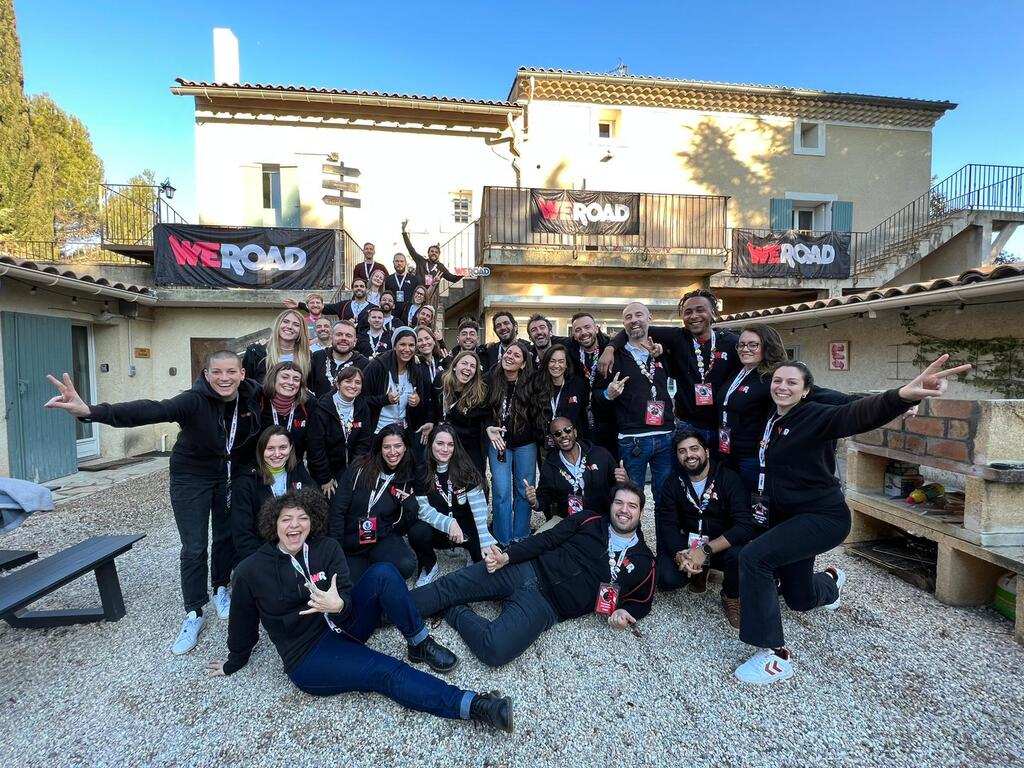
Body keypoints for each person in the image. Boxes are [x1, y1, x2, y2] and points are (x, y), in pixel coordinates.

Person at [734, 355, 971, 685]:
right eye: (777, 381)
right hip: (787, 517)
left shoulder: (817, 416)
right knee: (799, 599)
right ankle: (832, 582)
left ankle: (774, 654)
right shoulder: (771, 418)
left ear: (806, 391)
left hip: (822, 518)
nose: (782, 386)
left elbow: (855, 413)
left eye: (791, 382)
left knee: (754, 558)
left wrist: (902, 396)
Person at [208, 491, 514, 732]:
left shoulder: (325, 548)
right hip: (310, 652)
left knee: (383, 572)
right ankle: (474, 705)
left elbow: (348, 600)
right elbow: (242, 622)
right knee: (385, 671)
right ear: (273, 524)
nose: (295, 526)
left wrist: (338, 605)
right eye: (286, 519)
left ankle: (419, 641)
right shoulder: (251, 571)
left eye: (302, 518)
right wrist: (236, 659)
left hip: (346, 622)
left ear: (311, 520)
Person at [43, 351, 261, 655]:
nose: (224, 378)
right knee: (195, 546)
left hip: (228, 477)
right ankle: (194, 611)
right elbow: (149, 410)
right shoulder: (192, 400)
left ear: (242, 374)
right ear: (206, 374)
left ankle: (220, 588)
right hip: (191, 478)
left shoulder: (251, 396)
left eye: (230, 372)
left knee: (225, 538)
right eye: (217, 372)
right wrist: (89, 411)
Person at [411, 482, 655, 667]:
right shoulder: (589, 520)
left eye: (632, 506)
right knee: (446, 587)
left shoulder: (644, 562)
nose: (624, 510)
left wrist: (626, 610)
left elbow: (643, 601)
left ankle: (455, 610)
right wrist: (508, 556)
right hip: (525, 568)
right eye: (619, 503)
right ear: (611, 505)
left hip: (545, 607)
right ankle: (385, 608)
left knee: (495, 650)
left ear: (641, 512)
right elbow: (545, 539)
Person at [599, 289, 739, 447]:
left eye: (700, 310)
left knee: (723, 471)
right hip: (687, 426)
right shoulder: (677, 337)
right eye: (688, 312)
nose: (693, 316)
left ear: (712, 312)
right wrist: (610, 348)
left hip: (722, 426)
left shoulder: (731, 342)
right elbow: (634, 329)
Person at [654, 430, 755, 629]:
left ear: (706, 452)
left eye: (694, 448)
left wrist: (705, 550)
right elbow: (668, 524)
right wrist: (680, 554)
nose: (689, 455)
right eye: (682, 451)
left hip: (719, 547)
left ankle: (731, 595)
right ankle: (699, 571)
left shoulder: (729, 479)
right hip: (689, 546)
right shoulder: (673, 483)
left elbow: (745, 526)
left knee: (740, 554)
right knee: (665, 579)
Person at [593, 302, 676, 503]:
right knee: (630, 499)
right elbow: (595, 395)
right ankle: (632, 535)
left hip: (666, 436)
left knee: (666, 499)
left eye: (638, 315)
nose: (634, 320)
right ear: (624, 323)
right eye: (628, 317)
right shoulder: (614, 356)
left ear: (650, 318)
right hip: (632, 440)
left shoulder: (663, 352)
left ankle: (665, 536)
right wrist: (607, 394)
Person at [407, 424, 498, 586]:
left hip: (466, 528)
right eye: (439, 443)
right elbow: (423, 509)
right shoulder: (422, 471)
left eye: (450, 444)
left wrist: (484, 540)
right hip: (438, 528)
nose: (445, 449)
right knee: (416, 531)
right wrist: (448, 523)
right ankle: (430, 566)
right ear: (430, 444)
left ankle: (469, 551)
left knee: (486, 567)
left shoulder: (466, 468)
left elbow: (479, 508)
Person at [328, 425, 420, 581]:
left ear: (406, 448)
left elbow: (399, 528)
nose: (392, 452)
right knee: (348, 582)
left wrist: (410, 507)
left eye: (398, 446)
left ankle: (374, 566)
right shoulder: (359, 468)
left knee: (406, 565)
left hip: (380, 538)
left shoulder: (408, 477)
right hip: (350, 539)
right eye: (387, 447)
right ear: (379, 448)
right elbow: (337, 509)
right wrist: (337, 548)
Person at [231, 426, 315, 560]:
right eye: (270, 448)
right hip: (262, 554)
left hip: (298, 549)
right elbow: (243, 534)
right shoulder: (246, 482)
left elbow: (316, 512)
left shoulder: (299, 472)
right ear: (261, 450)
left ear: (291, 448)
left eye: (282, 447)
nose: (277, 454)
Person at [485, 341, 538, 546]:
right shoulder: (491, 378)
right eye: (508, 352)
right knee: (501, 491)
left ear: (524, 364)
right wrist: (489, 426)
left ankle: (521, 535)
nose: (510, 357)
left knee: (524, 489)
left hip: (525, 443)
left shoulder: (531, 383)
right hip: (499, 442)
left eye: (517, 355)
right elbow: (482, 408)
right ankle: (503, 537)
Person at [526, 417, 624, 524]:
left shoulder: (600, 454)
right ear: (552, 439)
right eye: (557, 433)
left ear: (575, 432)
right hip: (569, 523)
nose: (563, 435)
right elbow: (543, 498)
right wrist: (534, 502)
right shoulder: (549, 466)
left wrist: (625, 480)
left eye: (567, 430)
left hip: (601, 520)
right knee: (538, 539)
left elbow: (620, 487)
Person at [306, 365, 373, 498]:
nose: (353, 386)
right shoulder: (322, 408)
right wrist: (325, 478)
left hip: (352, 469)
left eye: (357, 382)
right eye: (348, 381)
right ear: (337, 383)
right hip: (327, 472)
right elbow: (315, 447)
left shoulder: (362, 406)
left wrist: (354, 472)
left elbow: (364, 442)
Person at [360, 327, 432, 439]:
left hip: (404, 431)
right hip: (378, 431)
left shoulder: (416, 369)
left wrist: (417, 402)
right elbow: (362, 399)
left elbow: (421, 404)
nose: (407, 349)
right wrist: (385, 400)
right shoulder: (377, 366)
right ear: (394, 346)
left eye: (411, 345)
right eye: (402, 344)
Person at [570, 312, 617, 459]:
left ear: (596, 328)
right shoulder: (570, 350)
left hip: (612, 424)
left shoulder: (611, 347)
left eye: (587, 327)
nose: (583, 333)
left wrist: (611, 347)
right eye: (578, 330)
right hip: (584, 425)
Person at [434, 350, 489, 475]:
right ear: (454, 366)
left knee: (475, 479)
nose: (468, 368)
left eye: (472, 366)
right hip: (445, 444)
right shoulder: (440, 381)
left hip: (468, 445)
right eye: (464, 363)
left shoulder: (480, 392)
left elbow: (476, 423)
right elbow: (432, 409)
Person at [253, 361, 312, 466]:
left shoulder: (307, 404)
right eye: (285, 377)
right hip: (260, 467)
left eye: (296, 379)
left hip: (294, 466)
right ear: (273, 378)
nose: (290, 382)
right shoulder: (257, 401)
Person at [534, 344, 592, 442]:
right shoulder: (537, 385)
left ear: (566, 365)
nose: (556, 365)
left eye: (561, 361)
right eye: (552, 361)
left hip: (574, 444)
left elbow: (584, 417)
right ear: (546, 363)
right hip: (547, 445)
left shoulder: (578, 385)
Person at [242, 309, 312, 385]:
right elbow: (246, 386)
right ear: (278, 324)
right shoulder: (256, 352)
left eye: (296, 325)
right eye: (285, 322)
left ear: (302, 331)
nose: (289, 327)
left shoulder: (308, 357)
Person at [402, 219, 462, 301]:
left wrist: (466, 273)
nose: (434, 253)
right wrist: (404, 232)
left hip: (428, 297)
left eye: (436, 252)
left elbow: (452, 278)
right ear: (428, 253)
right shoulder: (421, 261)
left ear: (439, 255)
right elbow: (411, 249)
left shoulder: (441, 267)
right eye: (432, 251)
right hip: (415, 294)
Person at [286, 279, 375, 333]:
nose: (358, 288)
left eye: (361, 286)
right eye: (356, 286)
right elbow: (322, 309)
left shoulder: (374, 308)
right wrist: (299, 305)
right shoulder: (344, 305)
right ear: (352, 289)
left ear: (366, 290)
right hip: (345, 340)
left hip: (365, 342)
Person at [309, 320, 369, 397]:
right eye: (339, 334)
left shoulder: (364, 364)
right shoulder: (317, 357)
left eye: (348, 336)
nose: (344, 338)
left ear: (355, 341)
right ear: (331, 337)